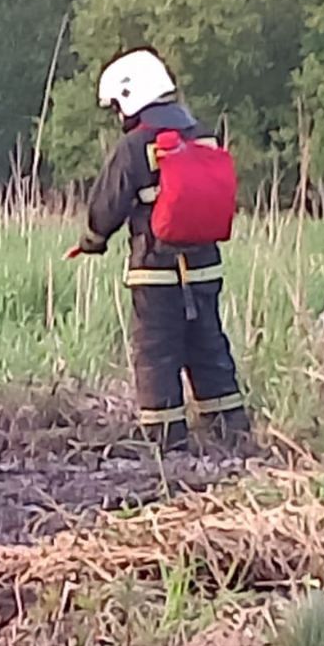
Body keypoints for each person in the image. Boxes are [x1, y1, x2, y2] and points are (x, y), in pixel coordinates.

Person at [67, 48, 251, 452]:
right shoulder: (203, 136)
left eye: (117, 105)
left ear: (130, 96)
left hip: (155, 271)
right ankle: (232, 432)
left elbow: (106, 205)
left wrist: (92, 241)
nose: (118, 115)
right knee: (208, 346)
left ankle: (165, 440)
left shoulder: (134, 147)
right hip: (205, 268)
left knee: (156, 353)